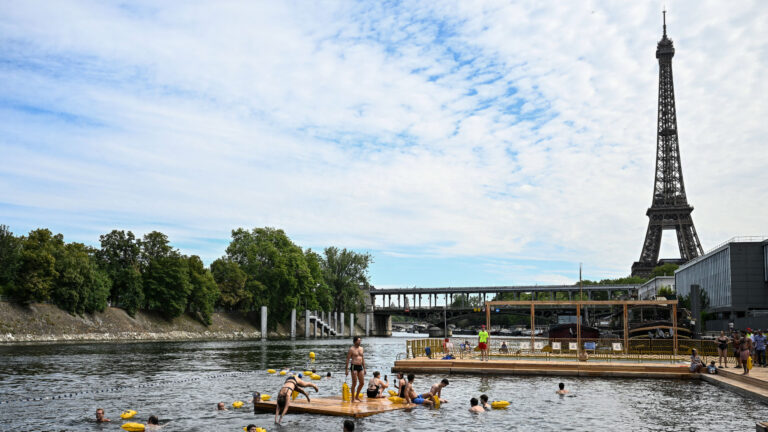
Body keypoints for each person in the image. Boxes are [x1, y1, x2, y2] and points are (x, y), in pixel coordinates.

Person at [345, 336, 366, 403]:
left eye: (360, 340)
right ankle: (353, 399)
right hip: (354, 366)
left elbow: (362, 358)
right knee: (354, 382)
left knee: (362, 383)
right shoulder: (351, 349)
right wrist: (346, 369)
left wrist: (364, 368)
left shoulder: (362, 348)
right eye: (358, 340)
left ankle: (357, 396)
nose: (360, 342)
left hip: (360, 367)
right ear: (355, 341)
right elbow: (348, 359)